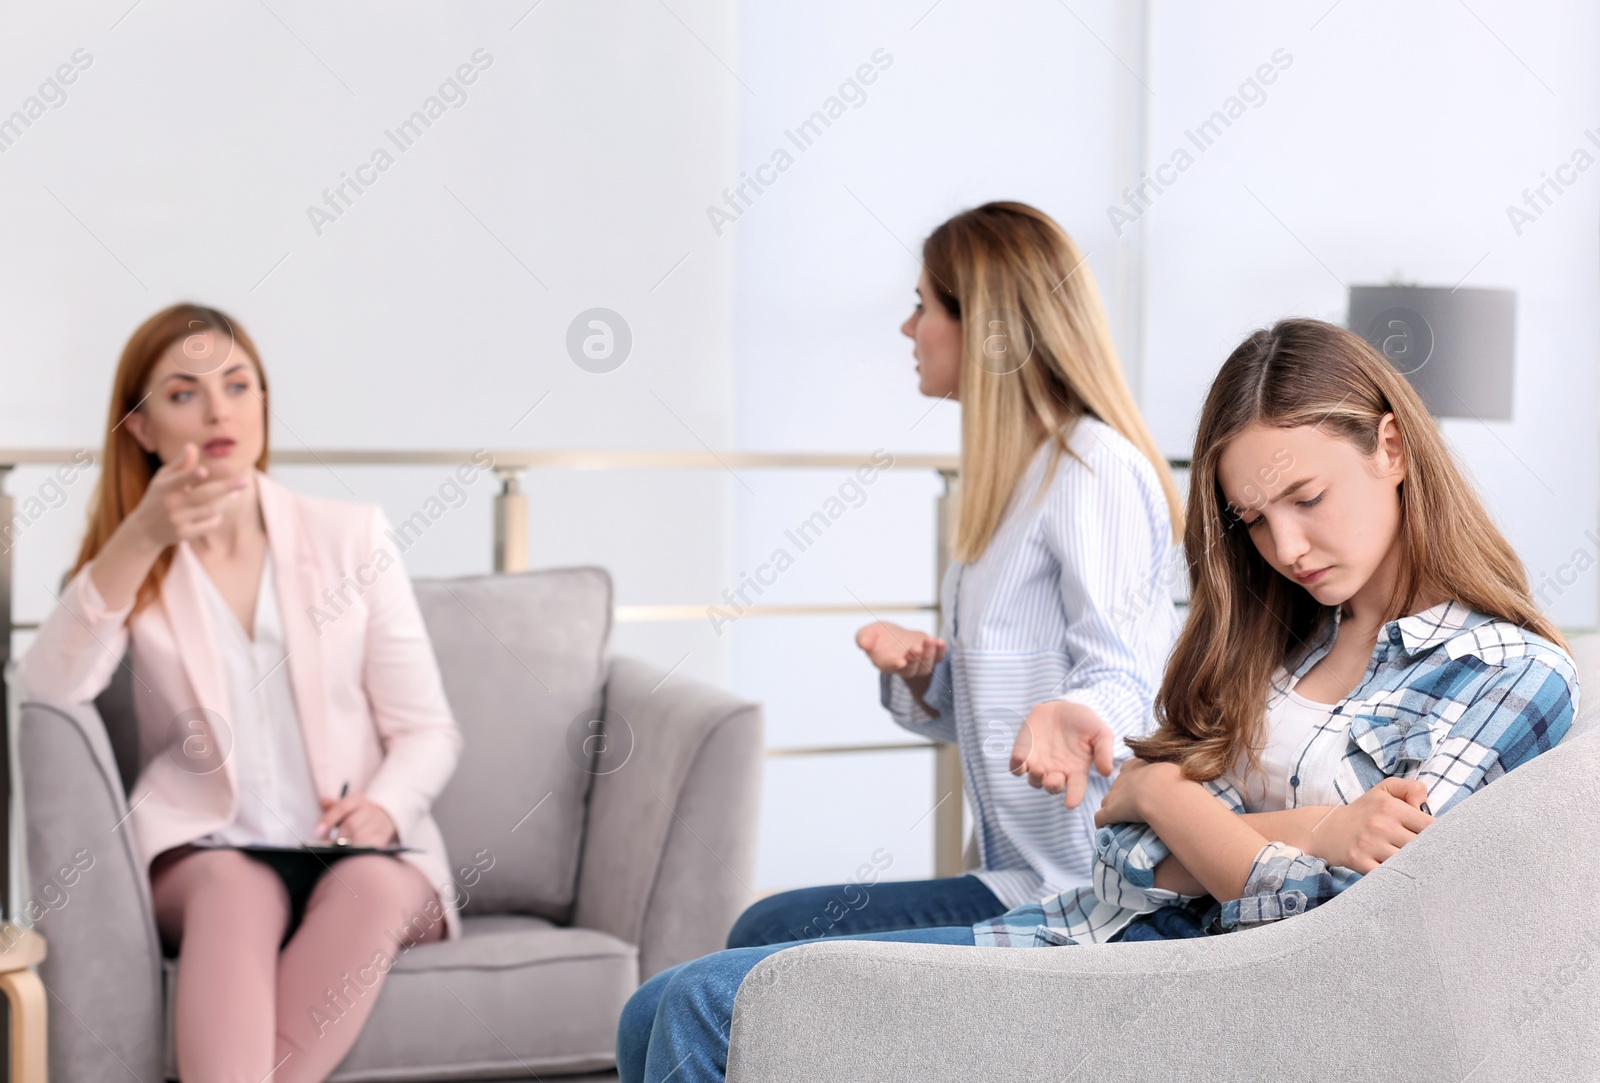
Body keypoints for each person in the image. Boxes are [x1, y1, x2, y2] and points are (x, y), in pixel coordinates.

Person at [615, 317, 1577, 1083]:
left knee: (704, 1004)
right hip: (1101, 923)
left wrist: (1172, 799)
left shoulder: (1506, 671)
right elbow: (1128, 846)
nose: (1284, 546)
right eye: (1253, 520)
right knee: (659, 1005)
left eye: (1307, 497)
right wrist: (1309, 825)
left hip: (1180, 991)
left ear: (1393, 446)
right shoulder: (1282, 634)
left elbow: (1341, 910)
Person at [18, 304, 464, 1083]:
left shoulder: (351, 536)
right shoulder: (133, 566)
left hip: (362, 850)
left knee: (369, 884)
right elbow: (48, 692)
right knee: (233, 884)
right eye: (184, 392)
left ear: (263, 402)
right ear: (142, 429)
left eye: (238, 383)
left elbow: (429, 728)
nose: (219, 408)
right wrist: (139, 538)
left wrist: (385, 805)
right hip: (210, 850)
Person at [726, 201, 1184, 949]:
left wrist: (1069, 714)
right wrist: (926, 676)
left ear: (986, 328)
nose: (909, 329)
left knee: (770, 949)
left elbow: (1129, 680)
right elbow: (1005, 710)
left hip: (1092, 890)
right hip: (1020, 875)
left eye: (923, 306)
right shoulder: (1014, 482)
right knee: (765, 926)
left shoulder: (1091, 468)